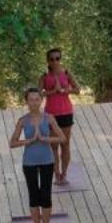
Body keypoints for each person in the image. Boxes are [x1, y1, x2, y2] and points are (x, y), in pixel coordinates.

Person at [7, 86, 66, 223]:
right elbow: (12, 143)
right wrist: (30, 141)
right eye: (31, 100)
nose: (34, 103)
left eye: (37, 99)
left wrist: (45, 139)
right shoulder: (23, 121)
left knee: (46, 196)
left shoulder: (49, 118)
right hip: (29, 163)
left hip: (47, 161)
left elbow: (62, 138)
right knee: (34, 197)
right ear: (26, 102)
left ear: (41, 100)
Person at [40, 48, 80, 184]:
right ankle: (56, 173)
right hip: (50, 115)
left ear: (60, 59)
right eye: (52, 59)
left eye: (57, 58)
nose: (55, 61)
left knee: (65, 144)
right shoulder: (44, 76)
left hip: (66, 113)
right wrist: (52, 91)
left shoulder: (67, 74)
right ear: (48, 61)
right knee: (53, 146)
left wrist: (64, 90)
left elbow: (78, 90)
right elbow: (38, 94)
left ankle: (64, 173)